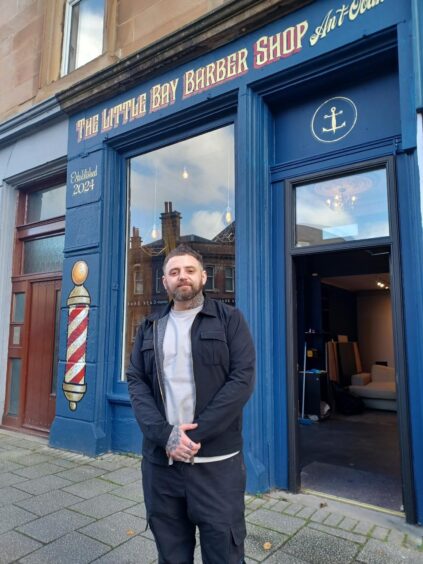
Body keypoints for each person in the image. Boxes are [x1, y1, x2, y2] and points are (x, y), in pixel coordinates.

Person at [127, 244, 255, 564]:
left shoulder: (230, 320)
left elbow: (241, 381)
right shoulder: (150, 327)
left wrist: (192, 437)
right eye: (173, 272)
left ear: (203, 277)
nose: (181, 276)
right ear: (165, 283)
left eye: (189, 270)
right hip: (162, 467)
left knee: (224, 553)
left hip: (217, 466)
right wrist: (165, 436)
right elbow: (136, 382)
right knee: (171, 555)